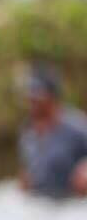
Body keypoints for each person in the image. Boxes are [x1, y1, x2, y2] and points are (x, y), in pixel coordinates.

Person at [18, 63, 87, 198]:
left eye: (37, 94)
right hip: (42, 201)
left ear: (52, 96)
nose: (32, 100)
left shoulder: (77, 125)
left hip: (72, 202)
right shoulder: (27, 132)